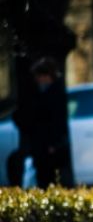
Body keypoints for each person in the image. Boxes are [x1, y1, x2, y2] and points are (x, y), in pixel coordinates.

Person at [13, 57, 74, 188]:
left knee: (48, 176)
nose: (37, 80)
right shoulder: (45, 92)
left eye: (39, 76)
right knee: (45, 176)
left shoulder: (53, 94)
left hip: (48, 144)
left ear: (46, 76)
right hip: (42, 143)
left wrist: (54, 143)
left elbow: (58, 120)